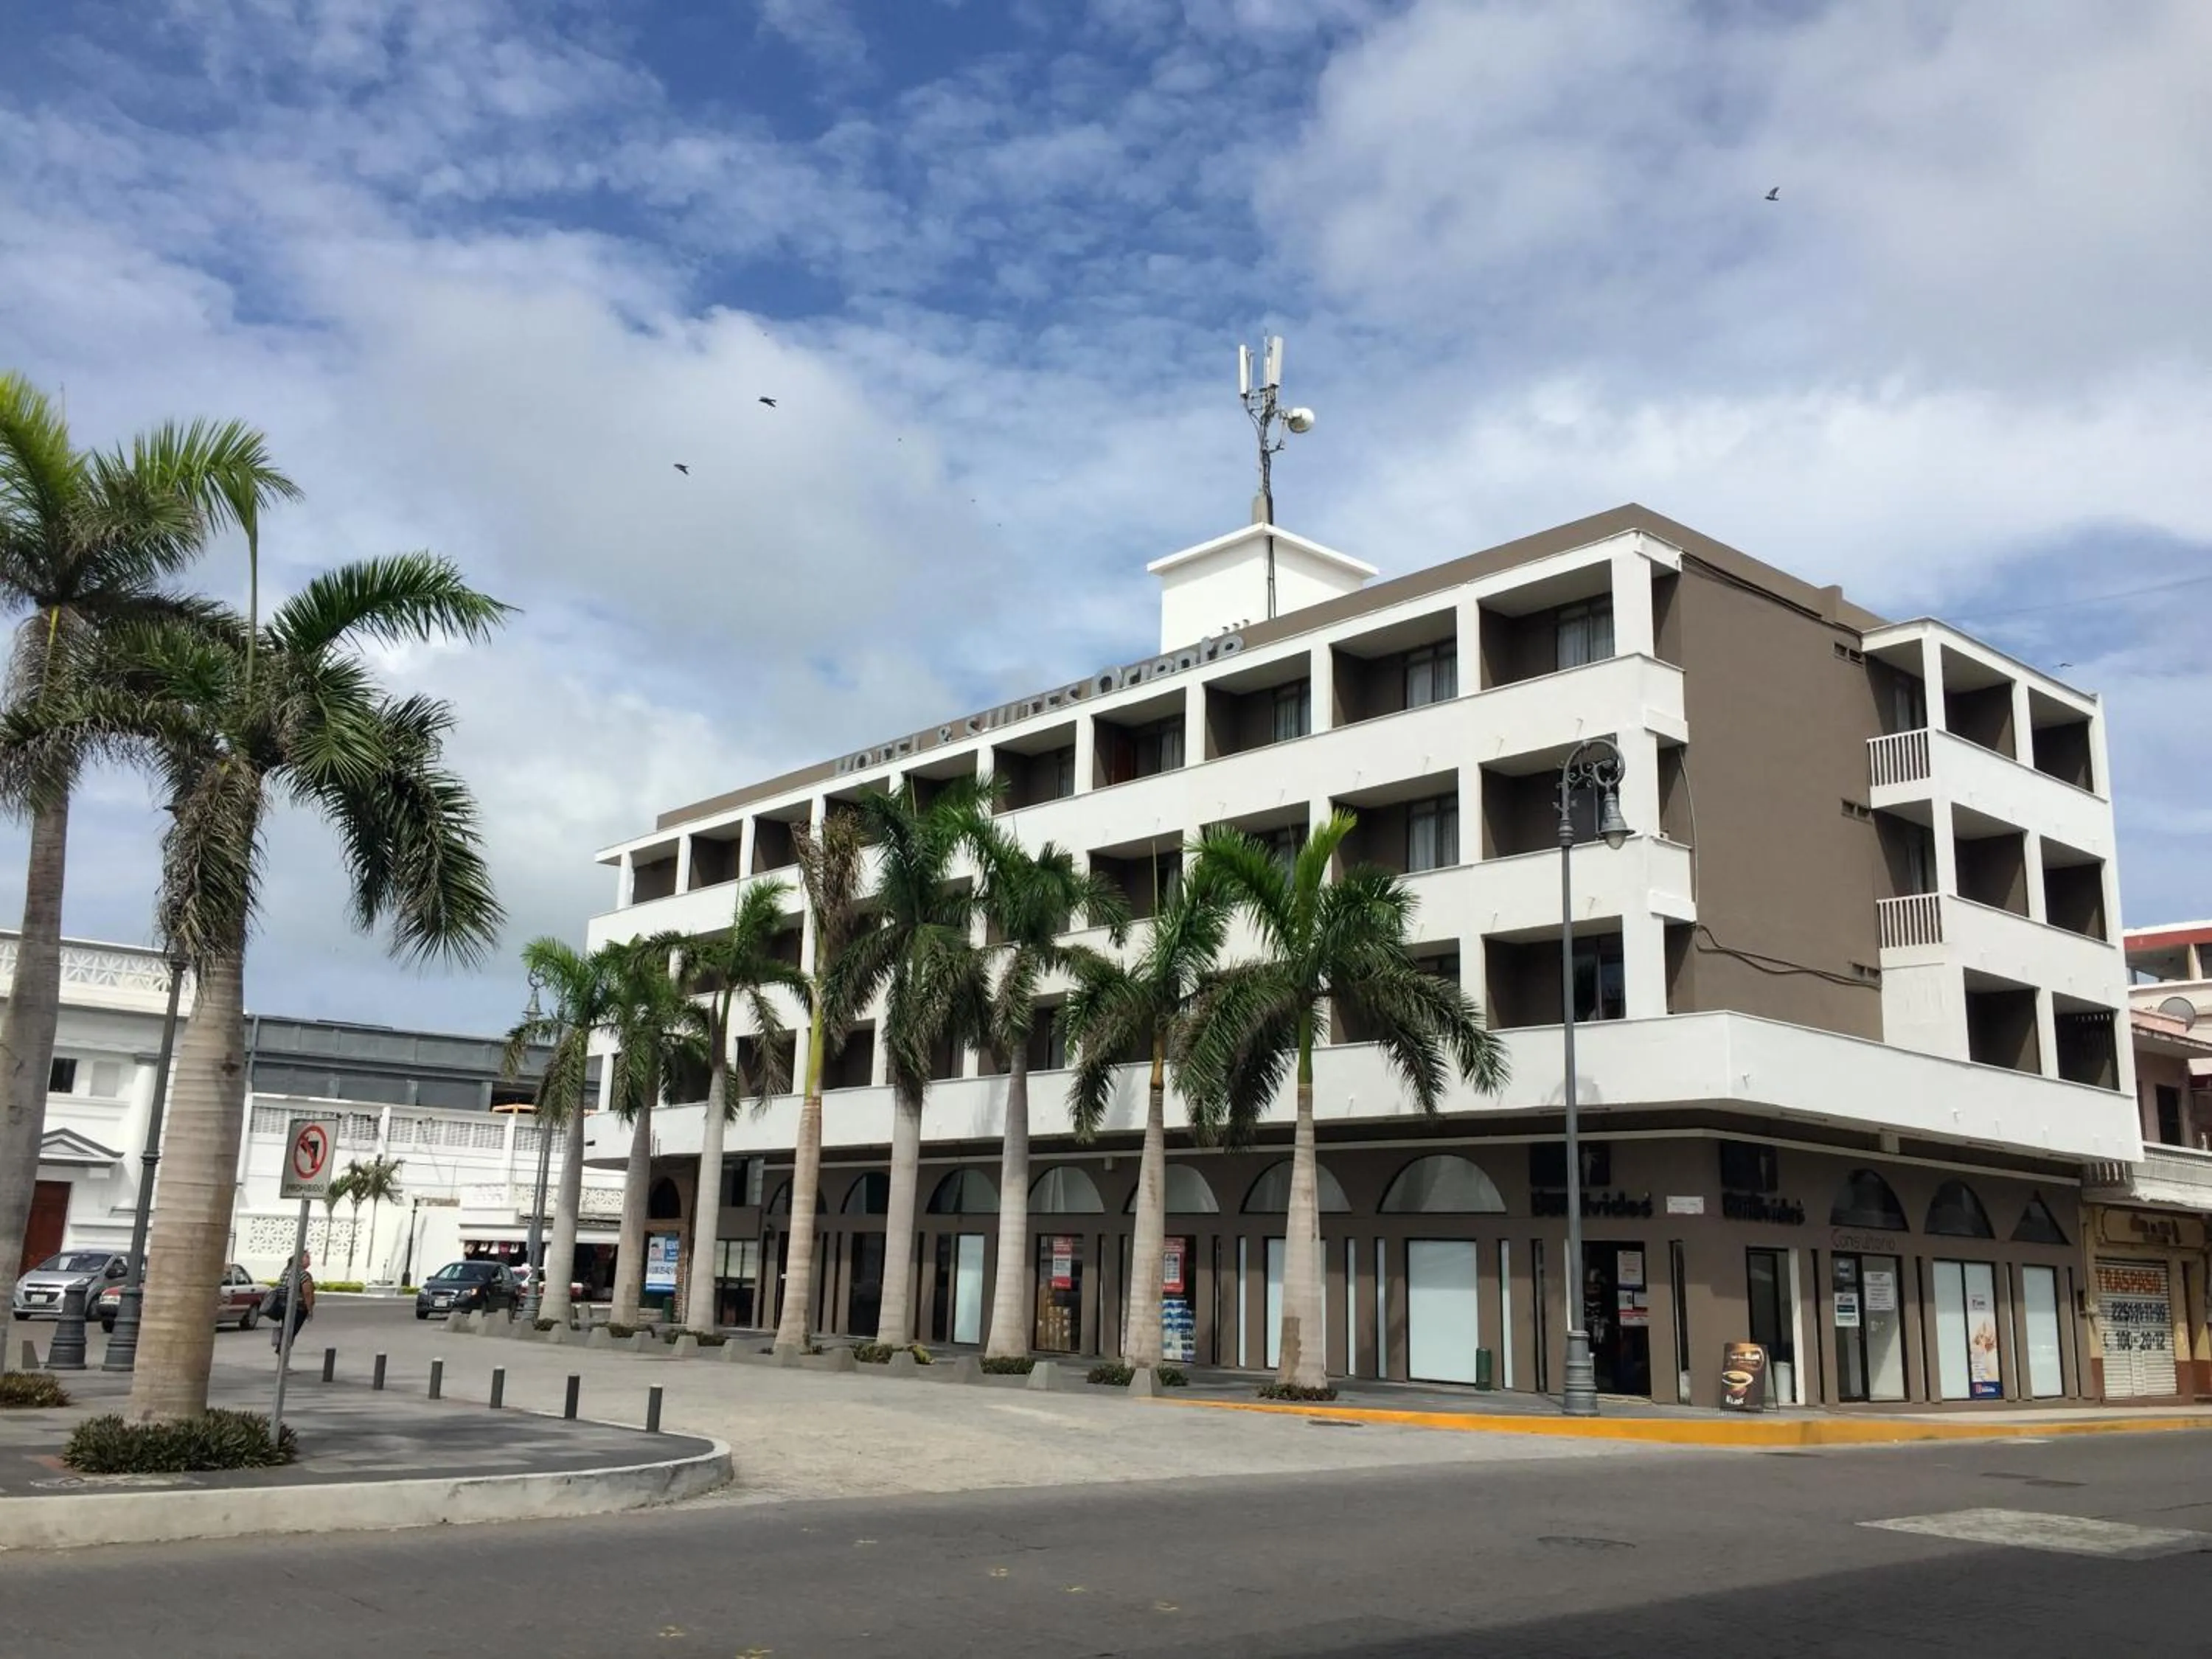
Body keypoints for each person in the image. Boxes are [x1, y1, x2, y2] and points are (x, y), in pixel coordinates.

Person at [269, 1249, 316, 1352]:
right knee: (290, 1334)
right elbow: (307, 1293)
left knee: (286, 1330)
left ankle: (281, 1349)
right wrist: (309, 1310)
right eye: (307, 1257)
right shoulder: (302, 1274)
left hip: (282, 1306)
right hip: (297, 1308)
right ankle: (282, 1351)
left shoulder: (287, 1271)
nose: (310, 1260)